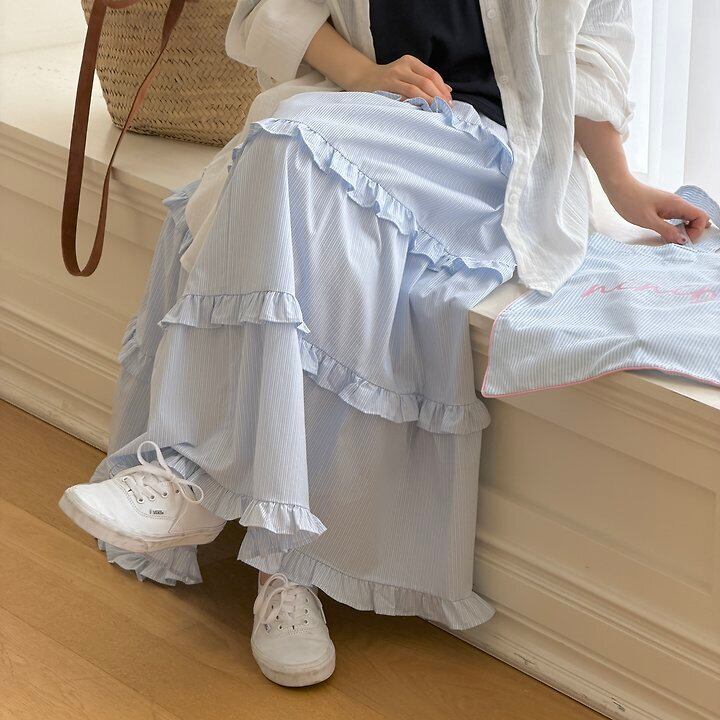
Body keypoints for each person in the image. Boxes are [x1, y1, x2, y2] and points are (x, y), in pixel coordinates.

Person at [60, 0, 710, 688]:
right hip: (359, 120)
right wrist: (364, 74)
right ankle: (287, 567)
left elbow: (588, 52)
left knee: (289, 146)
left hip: (490, 160)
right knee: (307, 198)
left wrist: (620, 184)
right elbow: (274, 9)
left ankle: (191, 472)